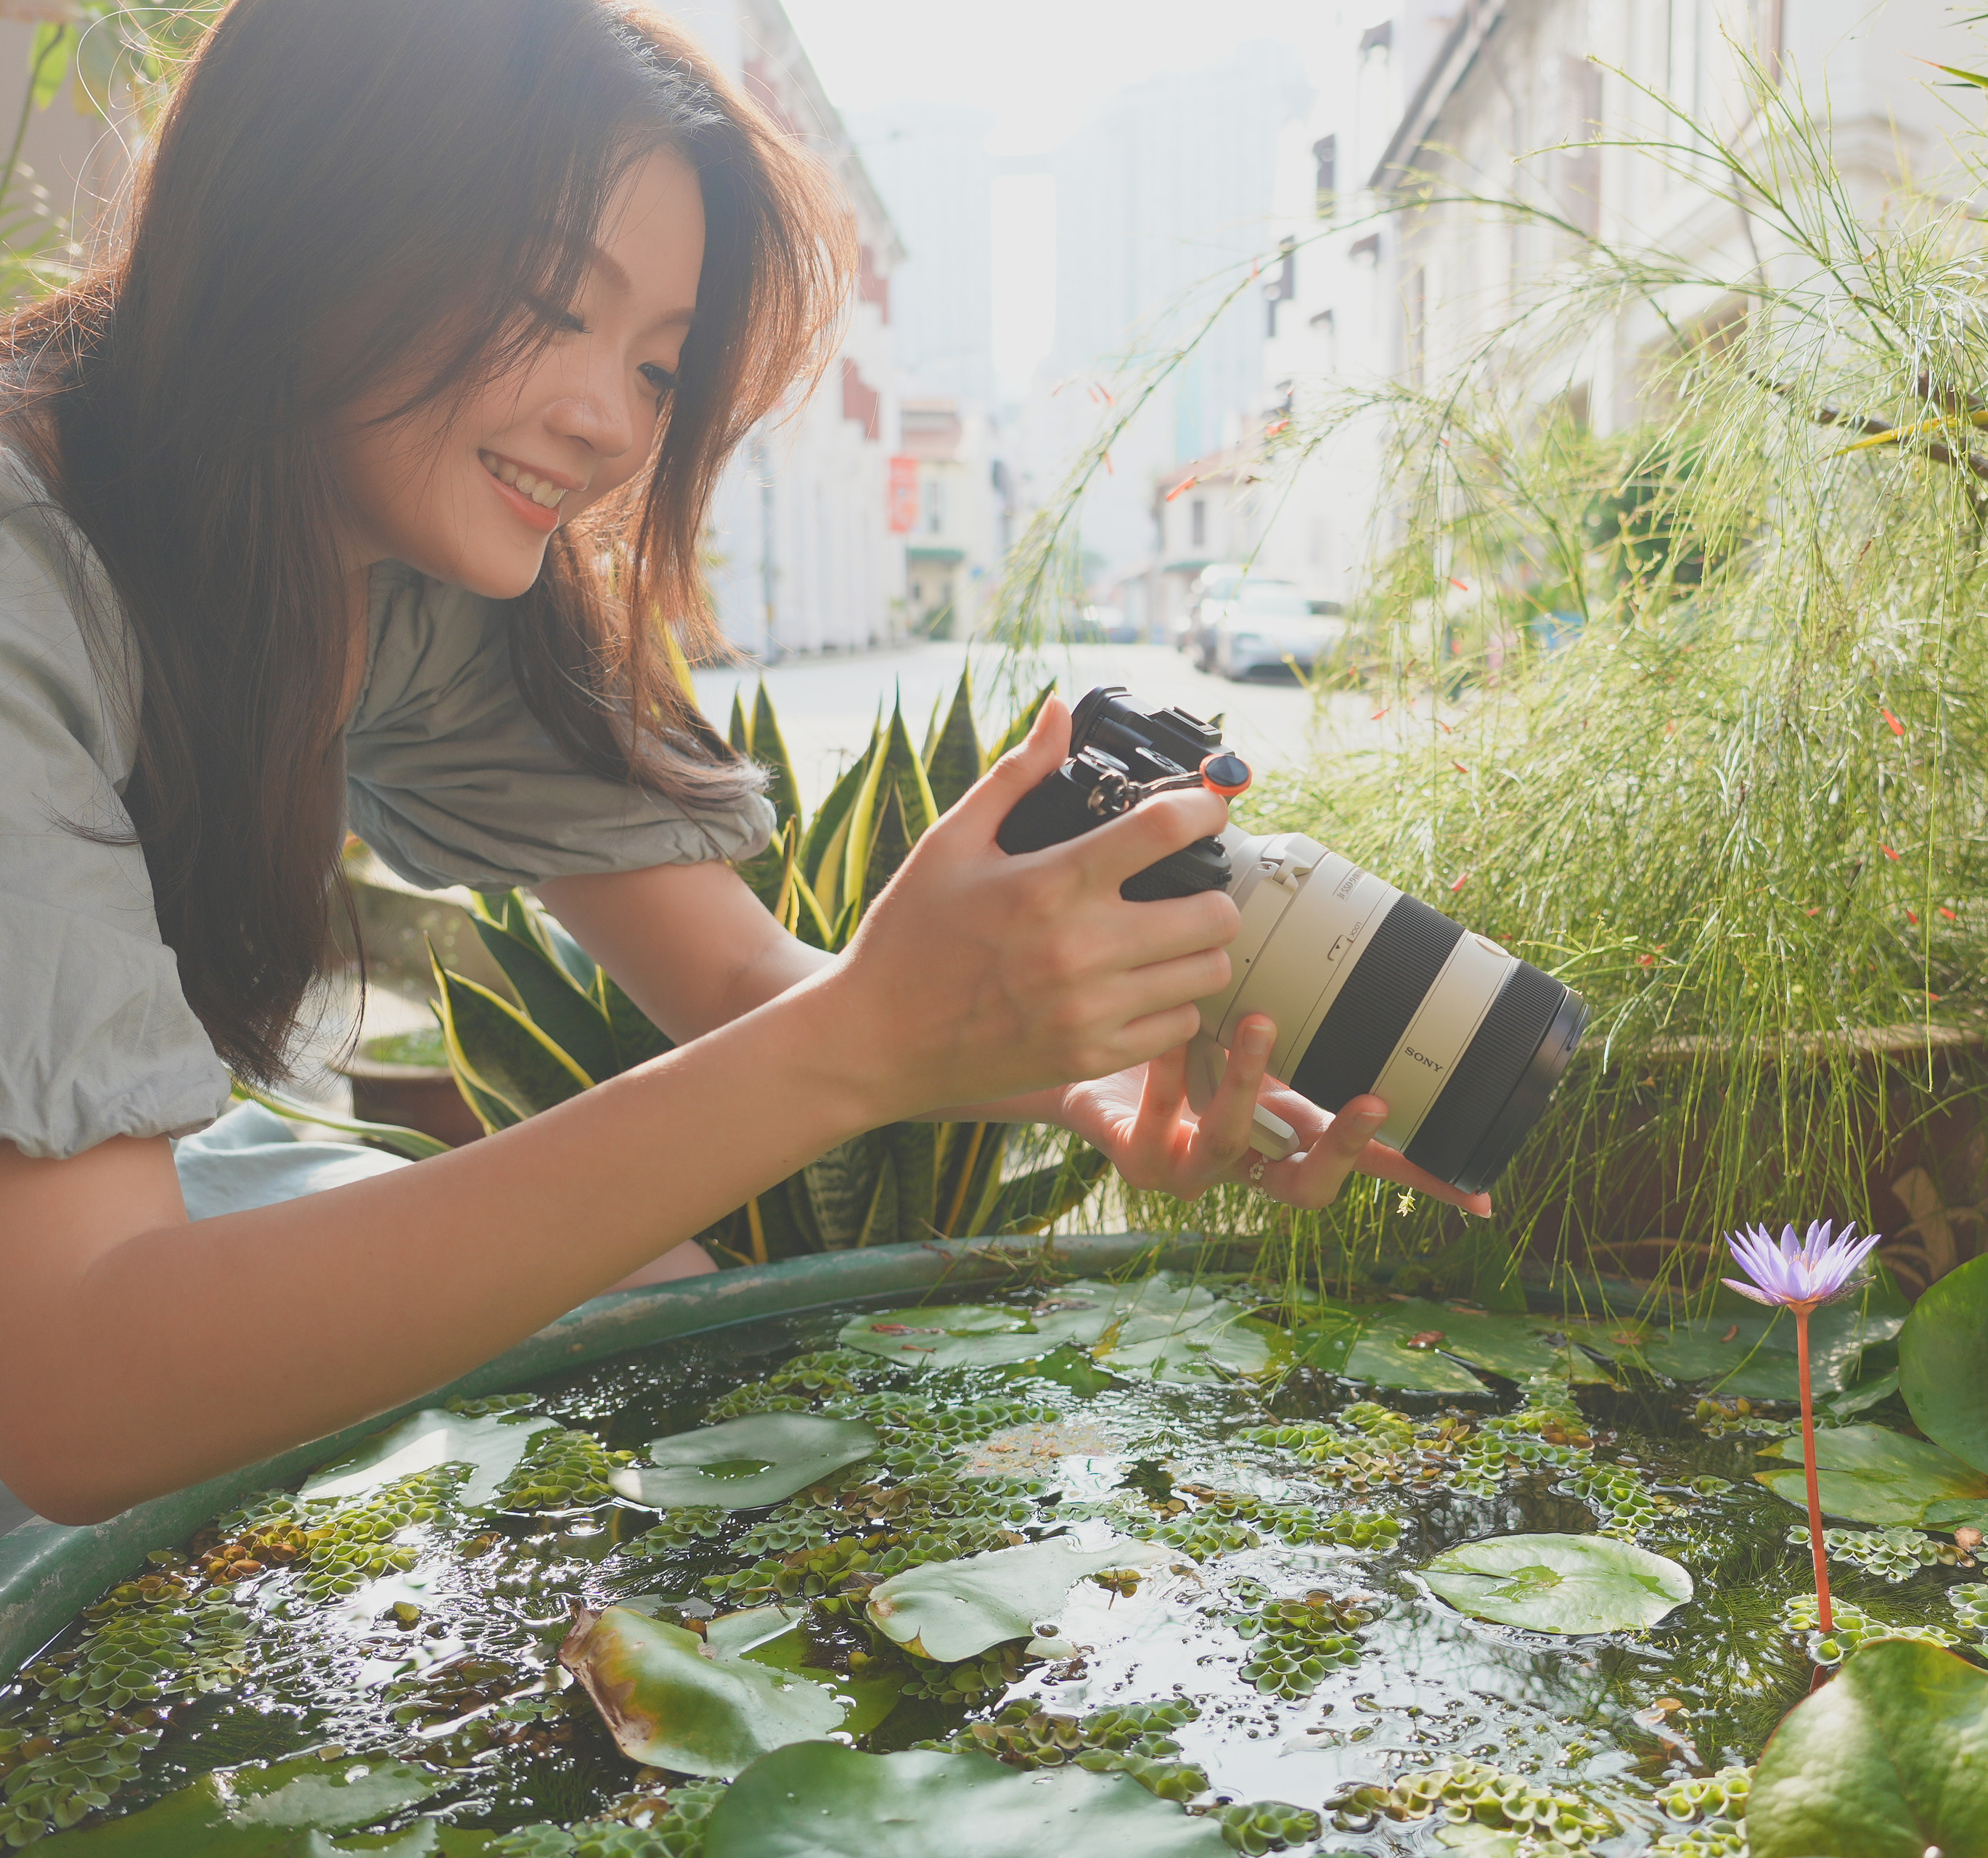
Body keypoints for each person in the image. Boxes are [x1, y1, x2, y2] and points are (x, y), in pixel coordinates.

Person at [0, 0, 1481, 1531]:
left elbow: (729, 979)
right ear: (304, 211)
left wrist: (1084, 1076)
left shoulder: (388, 567)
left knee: (671, 1316)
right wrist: (863, 1039)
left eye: (656, 367)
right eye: (547, 302)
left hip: (137, 1230)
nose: (603, 424)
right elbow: (76, 1388)